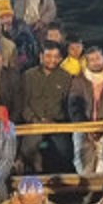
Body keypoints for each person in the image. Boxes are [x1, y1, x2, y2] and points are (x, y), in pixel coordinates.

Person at [69, 47, 103, 176]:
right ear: (87, 62)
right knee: (83, 166)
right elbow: (74, 106)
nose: (96, 62)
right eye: (91, 59)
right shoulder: (78, 81)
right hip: (83, 128)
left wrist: (102, 128)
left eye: (98, 58)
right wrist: (86, 128)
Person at [20, 41, 73, 174]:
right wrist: (34, 120)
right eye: (48, 56)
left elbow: (68, 106)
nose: (52, 60)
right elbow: (23, 103)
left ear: (60, 58)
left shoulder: (66, 77)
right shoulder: (28, 76)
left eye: (56, 57)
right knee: (28, 149)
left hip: (57, 125)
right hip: (34, 124)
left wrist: (57, 122)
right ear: (41, 56)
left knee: (64, 152)